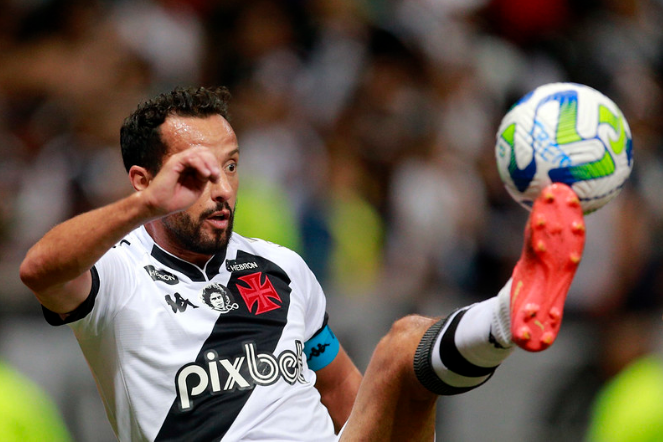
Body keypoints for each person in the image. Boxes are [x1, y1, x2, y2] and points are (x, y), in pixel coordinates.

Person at [20, 86, 586, 441]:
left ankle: (518, 306)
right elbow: (39, 270)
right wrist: (145, 208)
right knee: (400, 349)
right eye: (196, 173)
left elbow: (340, 388)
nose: (221, 189)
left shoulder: (281, 268)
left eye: (232, 166)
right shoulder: (117, 274)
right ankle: (511, 309)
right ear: (146, 180)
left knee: (407, 362)